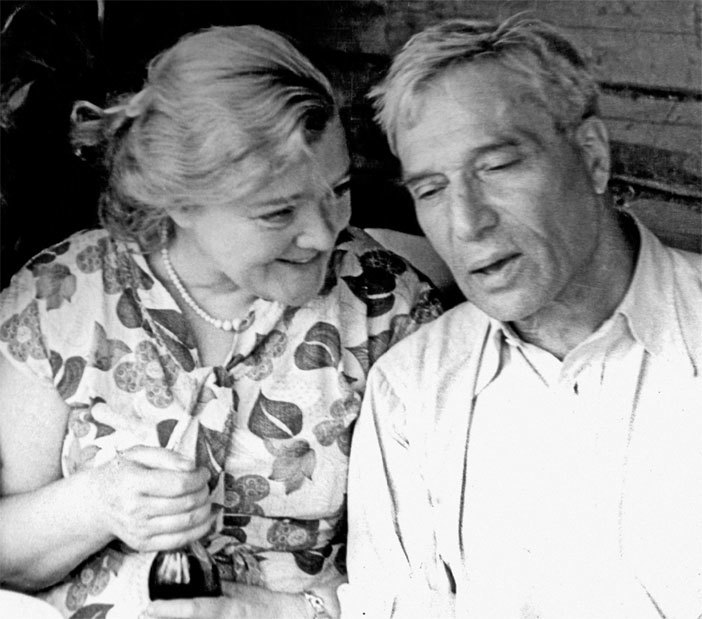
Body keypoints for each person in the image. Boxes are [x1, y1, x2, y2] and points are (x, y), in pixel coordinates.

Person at [0, 25, 442, 618]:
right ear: (180, 201)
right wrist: (96, 503)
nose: (323, 233)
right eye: (277, 211)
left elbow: (427, 580)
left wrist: (259, 611)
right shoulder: (61, 296)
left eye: (338, 190)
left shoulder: (384, 309)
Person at [341, 16, 702, 618]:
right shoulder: (411, 393)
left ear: (591, 157)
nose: (466, 223)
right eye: (431, 190)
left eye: (497, 167)